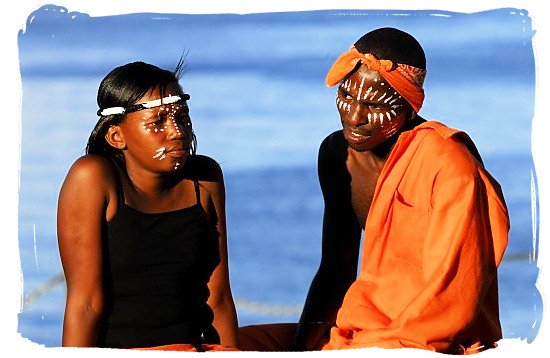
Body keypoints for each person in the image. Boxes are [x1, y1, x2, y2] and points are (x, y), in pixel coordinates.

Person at [240, 27, 509, 355]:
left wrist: (385, 348)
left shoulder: (448, 162)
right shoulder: (337, 154)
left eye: (372, 104)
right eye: (347, 95)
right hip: (360, 328)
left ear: (409, 105)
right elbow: (335, 268)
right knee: (222, 346)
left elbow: (453, 299)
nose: (353, 116)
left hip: (425, 341)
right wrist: (301, 348)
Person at [57, 60, 239, 351]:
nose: (177, 130)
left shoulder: (204, 178)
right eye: (157, 123)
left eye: (182, 117)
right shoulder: (93, 177)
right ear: (116, 136)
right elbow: (86, 303)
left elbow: (218, 297)